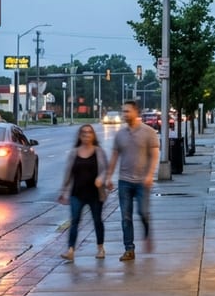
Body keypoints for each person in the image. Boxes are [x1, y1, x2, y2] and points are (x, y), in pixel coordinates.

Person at [105, 99, 159, 261]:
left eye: (127, 111)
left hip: (143, 182)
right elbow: (114, 156)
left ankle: (147, 233)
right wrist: (109, 176)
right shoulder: (120, 134)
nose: (124, 114)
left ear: (136, 112)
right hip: (124, 181)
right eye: (123, 111)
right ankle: (129, 249)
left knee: (142, 212)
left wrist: (150, 175)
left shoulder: (148, 132)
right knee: (125, 217)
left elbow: (155, 155)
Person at [58, 124, 109, 261]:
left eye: (89, 132)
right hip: (77, 193)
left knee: (97, 220)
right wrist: (63, 191)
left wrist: (101, 178)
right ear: (80, 136)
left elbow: (106, 170)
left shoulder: (99, 152)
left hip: (95, 194)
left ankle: (100, 248)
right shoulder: (74, 152)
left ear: (93, 135)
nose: (86, 135)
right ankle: (70, 250)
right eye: (83, 133)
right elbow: (68, 172)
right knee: (75, 221)